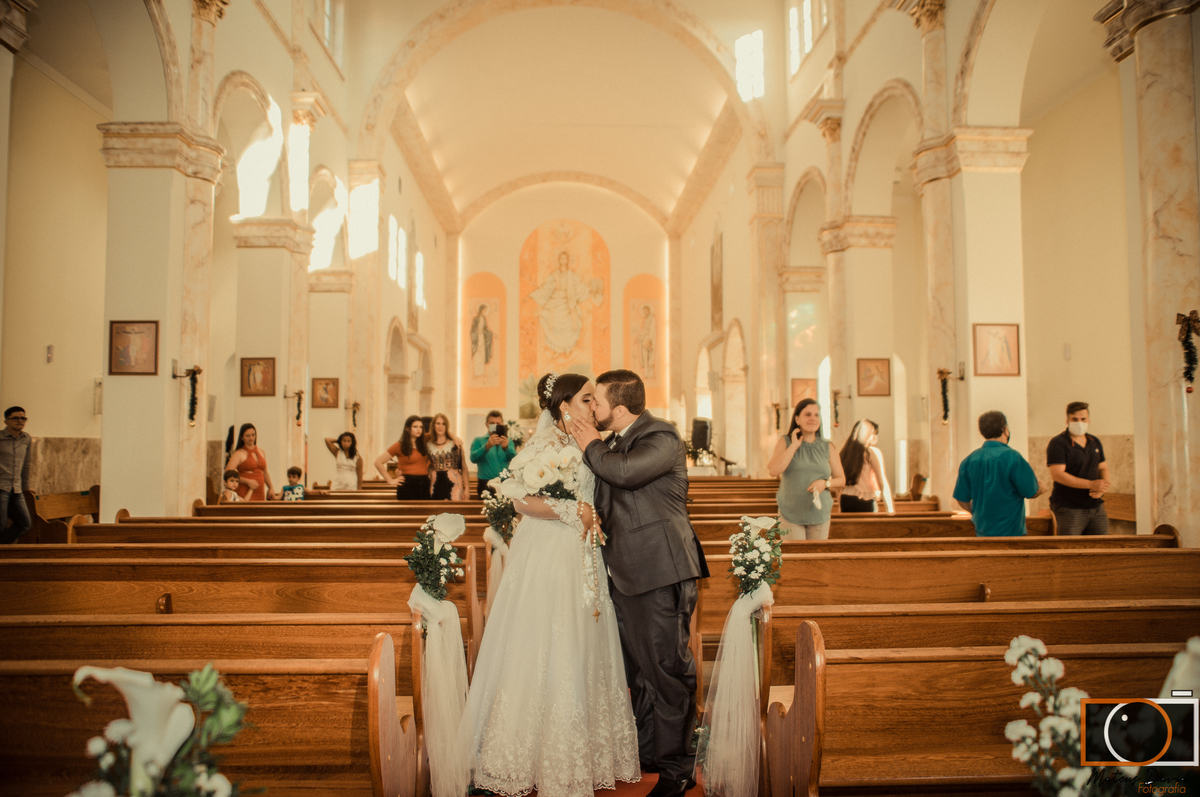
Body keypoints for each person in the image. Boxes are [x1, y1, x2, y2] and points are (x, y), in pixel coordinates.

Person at [455, 373, 639, 797]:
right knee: (547, 642)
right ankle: (525, 752)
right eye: (586, 399)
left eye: (594, 399)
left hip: (584, 554)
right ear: (564, 407)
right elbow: (518, 498)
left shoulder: (591, 443)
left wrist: (590, 516)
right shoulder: (542, 446)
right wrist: (574, 511)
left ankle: (587, 752)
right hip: (550, 557)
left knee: (584, 639)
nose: (593, 406)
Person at [569, 369, 709, 796]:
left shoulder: (661, 437)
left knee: (666, 671)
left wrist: (587, 441)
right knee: (640, 672)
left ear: (621, 407)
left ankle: (677, 769)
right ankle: (650, 752)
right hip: (629, 573)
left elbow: (625, 473)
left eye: (597, 401)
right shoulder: (611, 442)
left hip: (659, 570)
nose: (592, 408)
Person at [953, 410, 1047, 537]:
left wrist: (975, 512)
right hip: (1011, 531)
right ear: (1005, 430)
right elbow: (1031, 492)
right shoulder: (1013, 457)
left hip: (982, 531)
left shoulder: (969, 460)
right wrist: (1041, 487)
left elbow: (961, 498)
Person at [767, 399, 847, 540]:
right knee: (795, 559)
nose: (813, 418)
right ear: (797, 419)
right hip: (791, 513)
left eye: (816, 415)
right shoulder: (785, 442)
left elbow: (841, 480)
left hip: (819, 513)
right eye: (808, 414)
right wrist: (793, 446)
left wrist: (825, 484)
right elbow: (773, 470)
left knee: (816, 559)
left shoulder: (827, 447)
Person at [1046, 401, 1111, 536]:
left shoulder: (1094, 441)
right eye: (1075, 419)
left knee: (1102, 548)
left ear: (1088, 420)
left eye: (1083, 419)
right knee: (1070, 550)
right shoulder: (1058, 443)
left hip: (1096, 506)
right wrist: (1091, 484)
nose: (1079, 423)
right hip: (1069, 508)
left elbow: (1103, 467)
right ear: (1067, 420)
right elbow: (1058, 474)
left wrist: (1103, 487)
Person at [838, 419, 895, 513]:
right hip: (864, 500)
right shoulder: (871, 452)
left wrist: (840, 507)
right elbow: (882, 481)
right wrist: (890, 509)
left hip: (846, 500)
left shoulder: (845, 453)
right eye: (873, 433)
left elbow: (840, 486)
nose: (875, 437)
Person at [375, 415, 431, 500]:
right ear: (407, 428)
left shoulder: (425, 440)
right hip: (407, 483)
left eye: (421, 427)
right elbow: (378, 462)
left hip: (424, 482)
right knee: (407, 512)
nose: (419, 429)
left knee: (425, 512)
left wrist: (456, 439)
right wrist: (390, 480)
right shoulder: (399, 445)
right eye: (415, 427)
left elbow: (443, 433)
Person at [0, 406, 32, 544]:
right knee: (0, 525)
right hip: (1, 487)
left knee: (24, 523)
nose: (20, 421)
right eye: (16, 418)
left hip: (16, 489)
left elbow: (26, 465)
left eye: (23, 418)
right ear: (6, 421)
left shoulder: (26, 438)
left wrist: (26, 486)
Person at [224, 423, 278, 500]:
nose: (251, 438)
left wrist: (271, 487)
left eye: (253, 435)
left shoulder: (261, 451)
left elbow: (265, 473)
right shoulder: (238, 453)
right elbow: (228, 473)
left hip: (259, 490)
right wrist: (247, 481)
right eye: (247, 436)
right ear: (242, 437)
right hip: (244, 489)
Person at [470, 410, 516, 500]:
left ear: (502, 424)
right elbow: (473, 458)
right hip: (485, 484)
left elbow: (516, 459)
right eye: (492, 423)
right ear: (486, 425)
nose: (495, 426)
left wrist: (506, 448)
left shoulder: (508, 441)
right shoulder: (478, 441)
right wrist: (487, 446)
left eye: (497, 423)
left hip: (505, 484)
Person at [428, 413, 469, 500]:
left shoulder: (455, 444)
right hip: (436, 483)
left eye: (443, 424)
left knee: (455, 512)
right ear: (433, 425)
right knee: (436, 512)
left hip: (454, 482)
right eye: (438, 423)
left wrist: (467, 489)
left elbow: (464, 467)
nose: (440, 426)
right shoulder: (428, 445)